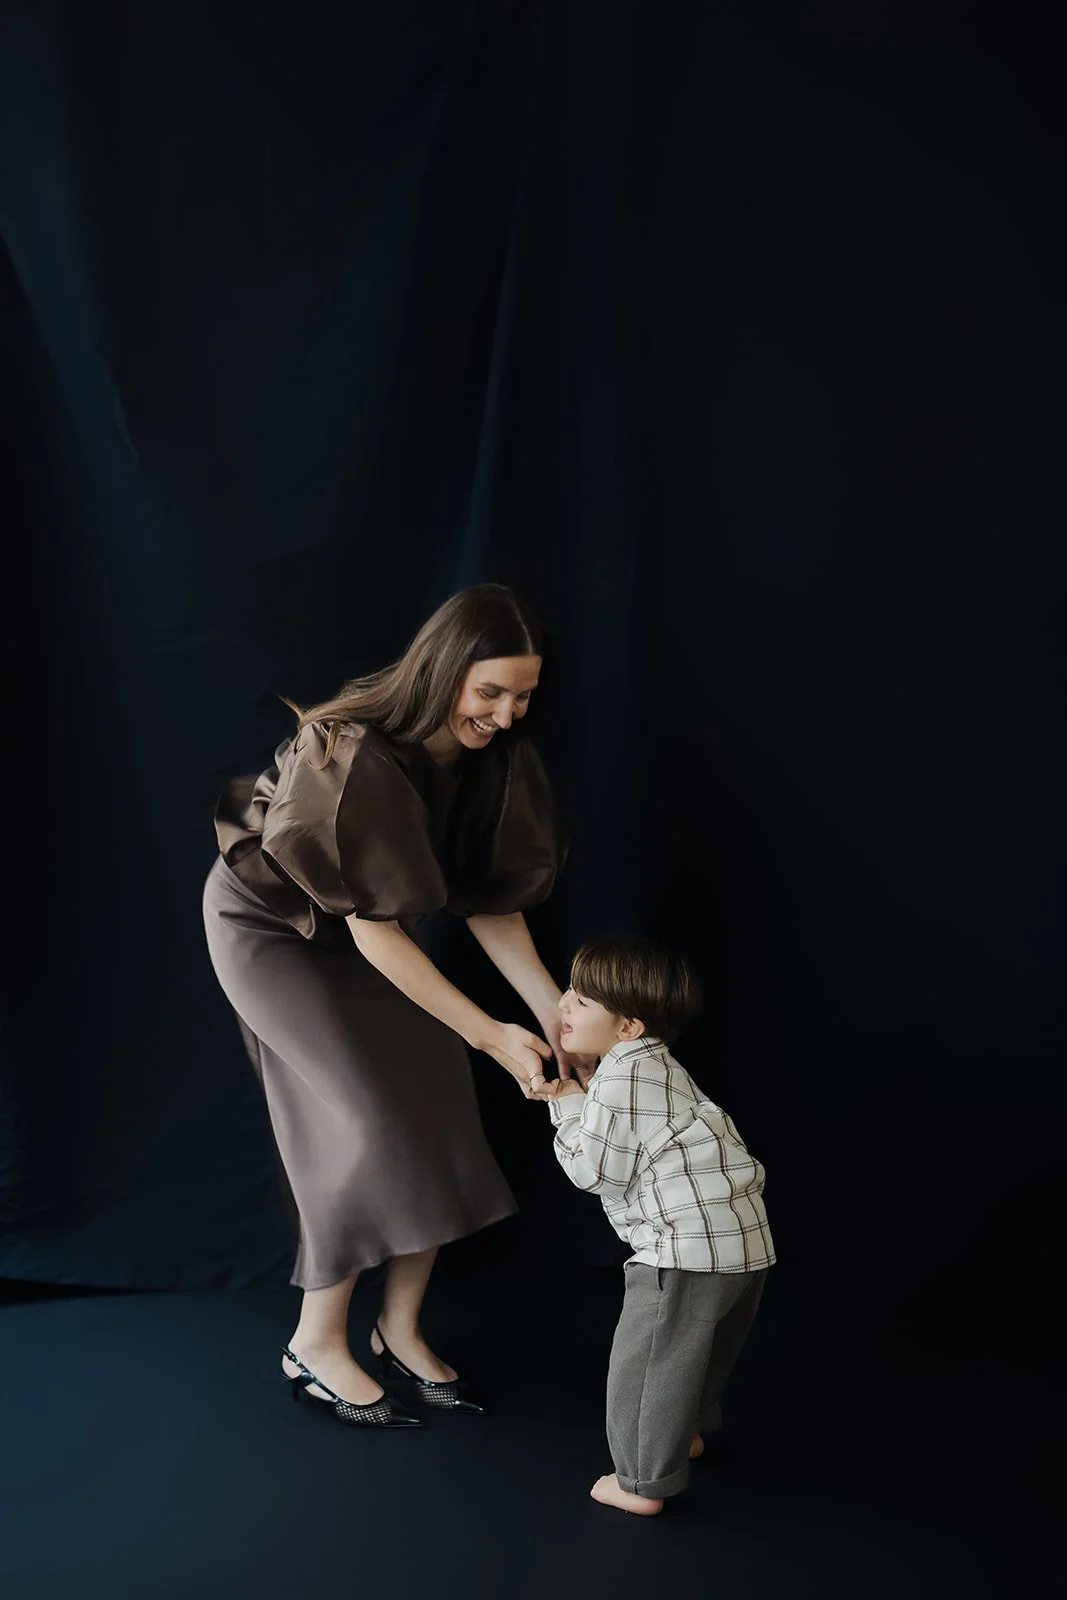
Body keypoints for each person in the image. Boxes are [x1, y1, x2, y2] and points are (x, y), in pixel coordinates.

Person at [203, 584, 576, 1428]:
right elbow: (376, 934)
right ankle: (315, 1340)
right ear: (444, 671)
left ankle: (398, 1329)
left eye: (524, 696)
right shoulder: (351, 751)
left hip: (369, 928)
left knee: (437, 1091)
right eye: (490, 693)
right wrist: (488, 1033)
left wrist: (552, 1013)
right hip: (274, 931)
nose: (508, 715)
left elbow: (490, 898)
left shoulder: (492, 755)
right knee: (365, 1118)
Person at [533, 937, 775, 1515]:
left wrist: (565, 1104)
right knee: (700, 1351)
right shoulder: (655, 1067)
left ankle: (641, 1480)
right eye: (570, 990)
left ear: (628, 1027)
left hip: (683, 1249)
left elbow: (595, 1173)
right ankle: (681, 1436)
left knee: (648, 1365)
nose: (563, 1005)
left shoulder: (618, 1081)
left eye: (582, 1001)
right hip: (743, 1238)